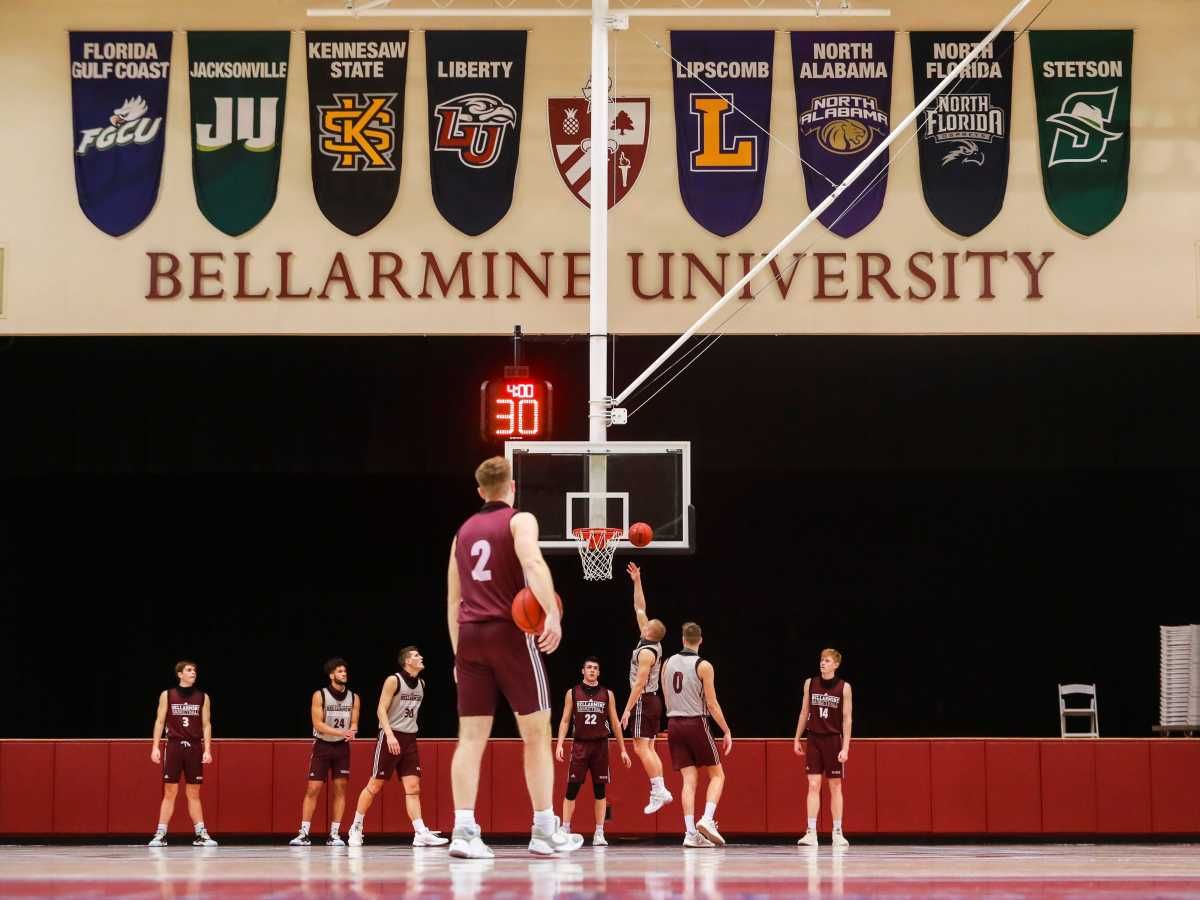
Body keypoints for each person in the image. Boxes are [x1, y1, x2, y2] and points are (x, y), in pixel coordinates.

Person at [446, 455, 582, 859]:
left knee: (469, 738)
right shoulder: (520, 520)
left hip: (470, 635)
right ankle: (544, 829)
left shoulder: (462, 533)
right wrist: (552, 613)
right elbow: (533, 563)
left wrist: (458, 655)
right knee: (537, 733)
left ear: (479, 490)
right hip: (509, 631)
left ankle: (463, 831)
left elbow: (453, 600)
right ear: (512, 487)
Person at [347, 647, 448, 847]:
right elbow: (380, 709)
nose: (421, 657)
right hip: (390, 735)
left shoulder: (421, 684)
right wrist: (390, 735)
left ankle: (420, 832)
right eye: (416, 655)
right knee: (375, 785)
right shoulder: (394, 680)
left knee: (413, 787)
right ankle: (356, 827)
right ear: (406, 661)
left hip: (410, 738)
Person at [662, 623, 733, 849]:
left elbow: (664, 692)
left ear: (683, 638)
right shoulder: (704, 666)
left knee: (688, 781)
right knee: (718, 776)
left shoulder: (667, 663)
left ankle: (690, 833)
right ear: (700, 640)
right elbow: (711, 704)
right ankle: (707, 819)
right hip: (696, 721)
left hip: (673, 722)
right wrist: (726, 729)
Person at [554, 656, 631, 846]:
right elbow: (565, 720)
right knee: (571, 789)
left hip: (600, 746)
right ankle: (565, 828)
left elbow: (615, 722)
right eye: (588, 667)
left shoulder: (607, 694)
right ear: (582, 671)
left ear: (598, 672)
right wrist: (560, 743)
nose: (591, 671)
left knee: (600, 791)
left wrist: (623, 749)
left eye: (595, 668)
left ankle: (599, 832)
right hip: (580, 745)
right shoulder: (572, 693)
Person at [619, 563, 673, 815]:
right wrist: (637, 580)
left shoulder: (647, 653)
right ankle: (659, 790)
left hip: (643, 700)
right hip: (653, 701)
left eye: (647, 623)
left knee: (640, 748)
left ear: (650, 631)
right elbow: (639, 607)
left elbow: (639, 684)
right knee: (648, 748)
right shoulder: (648, 638)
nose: (644, 620)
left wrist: (627, 710)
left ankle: (659, 790)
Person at [290, 657, 360, 846]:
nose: (344, 674)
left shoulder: (354, 697)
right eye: (339, 671)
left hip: (342, 748)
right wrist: (341, 731)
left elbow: (354, 722)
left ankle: (335, 834)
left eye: (345, 671)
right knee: (313, 789)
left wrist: (353, 730)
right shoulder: (320, 695)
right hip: (323, 746)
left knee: (340, 790)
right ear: (331, 675)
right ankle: (304, 833)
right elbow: (318, 724)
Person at [148, 660, 216, 847]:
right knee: (170, 791)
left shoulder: (203, 697)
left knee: (194, 793)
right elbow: (159, 722)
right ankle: (160, 834)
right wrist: (155, 747)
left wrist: (207, 750)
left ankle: (201, 834)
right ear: (180, 674)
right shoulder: (167, 695)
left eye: (195, 670)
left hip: (194, 747)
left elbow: (206, 724)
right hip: (174, 745)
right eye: (189, 670)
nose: (193, 672)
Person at [794, 648, 853, 848]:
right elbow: (804, 712)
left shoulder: (844, 687)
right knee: (813, 785)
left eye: (827, 661)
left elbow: (847, 719)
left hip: (834, 740)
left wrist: (845, 748)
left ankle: (837, 831)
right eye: (821, 660)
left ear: (836, 664)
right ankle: (811, 832)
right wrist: (796, 738)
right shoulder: (810, 683)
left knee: (835, 786)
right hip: (814, 739)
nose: (822, 663)